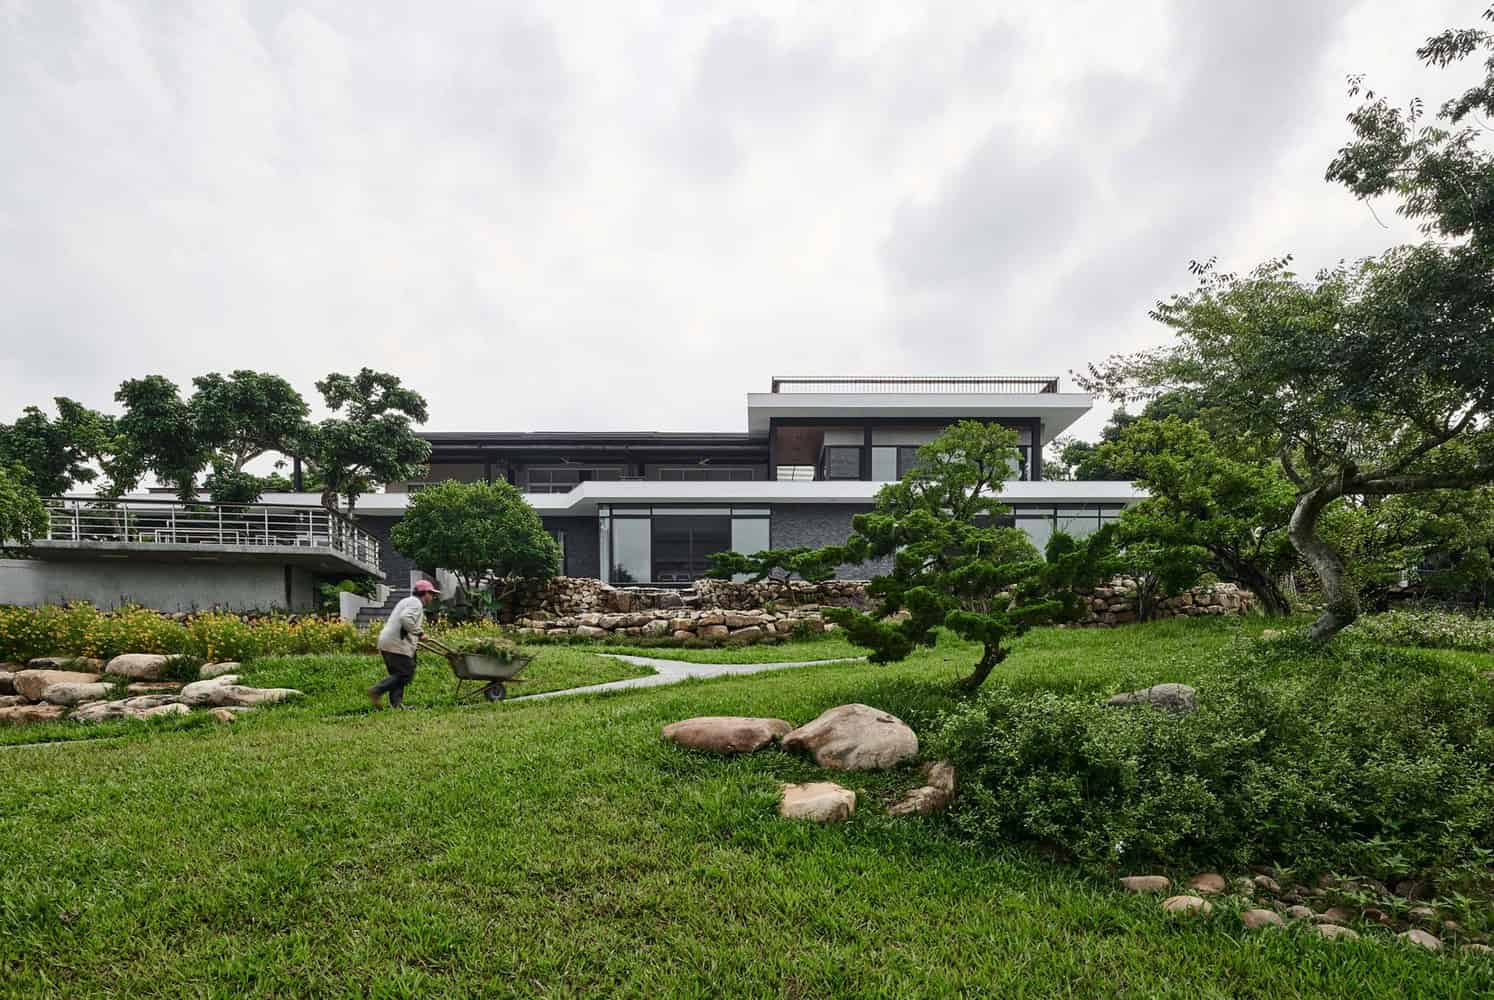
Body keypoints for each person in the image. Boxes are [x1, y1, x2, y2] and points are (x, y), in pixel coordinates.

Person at [370, 578, 438, 709]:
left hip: (388, 642)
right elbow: (405, 618)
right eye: (432, 594)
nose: (432, 597)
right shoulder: (416, 603)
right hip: (396, 644)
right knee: (405, 674)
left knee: (398, 675)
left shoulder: (407, 601)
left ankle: (397, 705)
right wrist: (420, 633)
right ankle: (376, 691)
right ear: (425, 593)